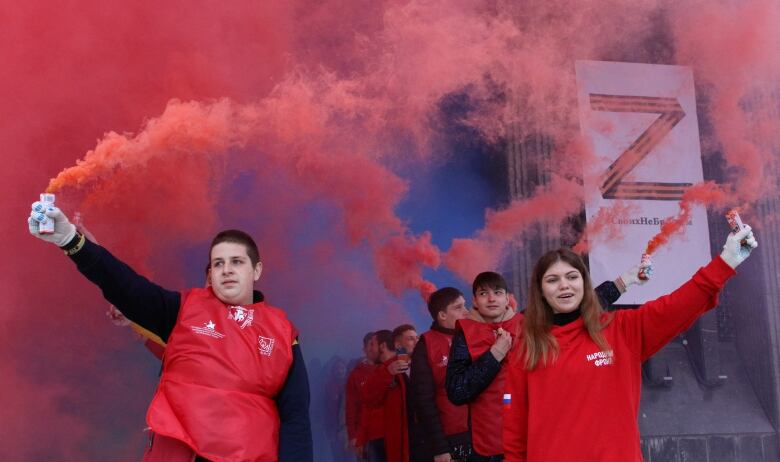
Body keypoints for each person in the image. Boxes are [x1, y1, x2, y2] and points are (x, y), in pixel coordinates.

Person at [28, 203, 313, 462]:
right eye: (218, 263)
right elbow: (125, 286)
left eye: (237, 262)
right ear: (210, 273)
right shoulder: (184, 309)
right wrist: (72, 241)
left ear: (257, 270)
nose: (226, 270)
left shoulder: (283, 333)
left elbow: (295, 418)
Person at [503, 226, 757, 461]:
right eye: (552, 280)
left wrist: (726, 261)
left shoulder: (621, 330)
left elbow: (676, 307)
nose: (564, 286)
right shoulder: (527, 347)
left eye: (572, 276)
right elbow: (514, 429)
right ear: (541, 290)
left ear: (584, 283)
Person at [445, 268, 639, 461]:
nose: (491, 299)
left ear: (507, 298)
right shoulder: (465, 333)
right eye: (483, 293)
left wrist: (623, 282)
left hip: (535, 435)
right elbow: (457, 392)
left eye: (497, 293)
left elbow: (577, 307)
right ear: (475, 301)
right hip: (487, 445)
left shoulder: (529, 323)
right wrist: (494, 355)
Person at [410, 287, 471, 462]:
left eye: (465, 306)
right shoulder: (426, 345)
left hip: (481, 434)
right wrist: (439, 447)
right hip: (450, 438)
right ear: (442, 315)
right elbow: (423, 401)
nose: (466, 312)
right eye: (458, 307)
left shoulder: (473, 338)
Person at [362, 325, 419, 462]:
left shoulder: (414, 365)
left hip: (414, 437)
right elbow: (367, 399)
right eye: (411, 339)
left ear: (382, 346)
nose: (370, 349)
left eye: (372, 344)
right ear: (398, 344)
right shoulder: (386, 370)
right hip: (392, 439)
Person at [346, 332, 385, 461]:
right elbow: (350, 407)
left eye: (376, 344)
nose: (373, 348)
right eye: (371, 344)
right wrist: (353, 436)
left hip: (387, 433)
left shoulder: (388, 370)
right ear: (364, 348)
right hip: (366, 436)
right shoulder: (356, 375)